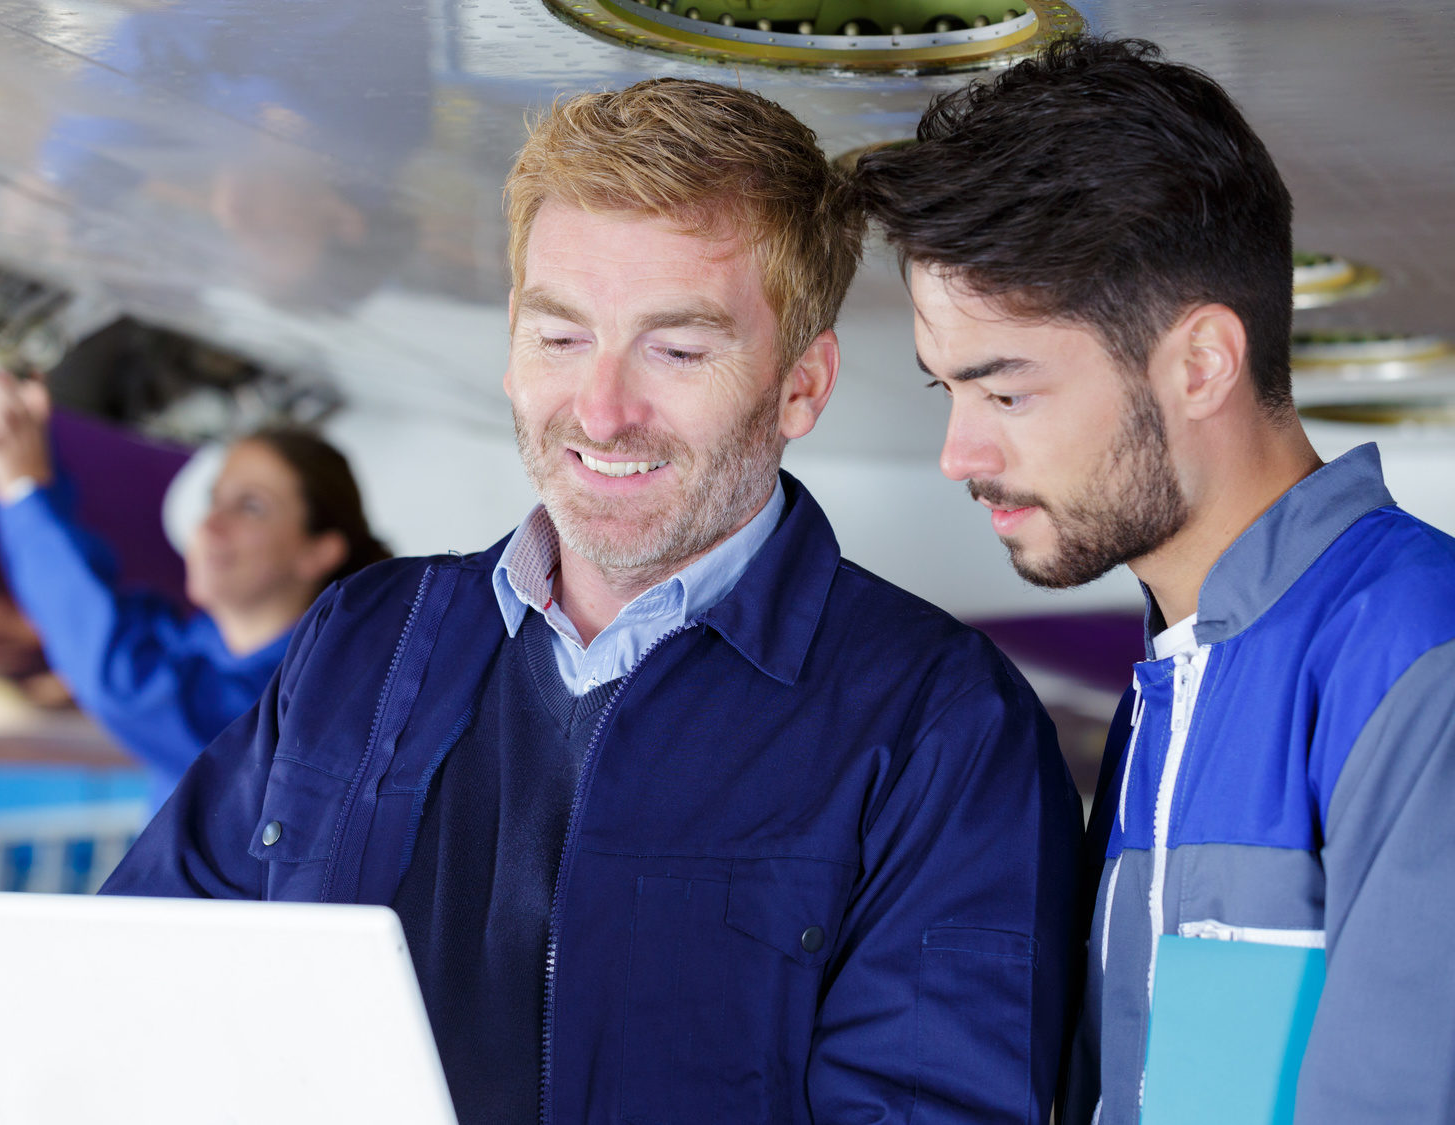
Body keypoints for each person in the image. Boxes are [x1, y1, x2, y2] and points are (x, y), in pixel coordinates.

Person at [103, 77, 1081, 1123]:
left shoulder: (940, 728)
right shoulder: (360, 640)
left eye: (677, 349)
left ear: (800, 384)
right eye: (560, 337)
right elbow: (138, 993)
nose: (602, 411)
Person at [855, 35, 1455, 1125]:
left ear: (1198, 363)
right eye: (945, 389)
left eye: (1005, 392)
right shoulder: (1176, 681)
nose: (957, 454)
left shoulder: (1417, 664)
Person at [0, 369, 389, 810]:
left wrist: (23, 492)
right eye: (214, 500)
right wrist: (31, 487)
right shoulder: (198, 647)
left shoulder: (301, 705)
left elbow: (122, 679)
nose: (209, 526)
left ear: (318, 553)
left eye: (251, 506)